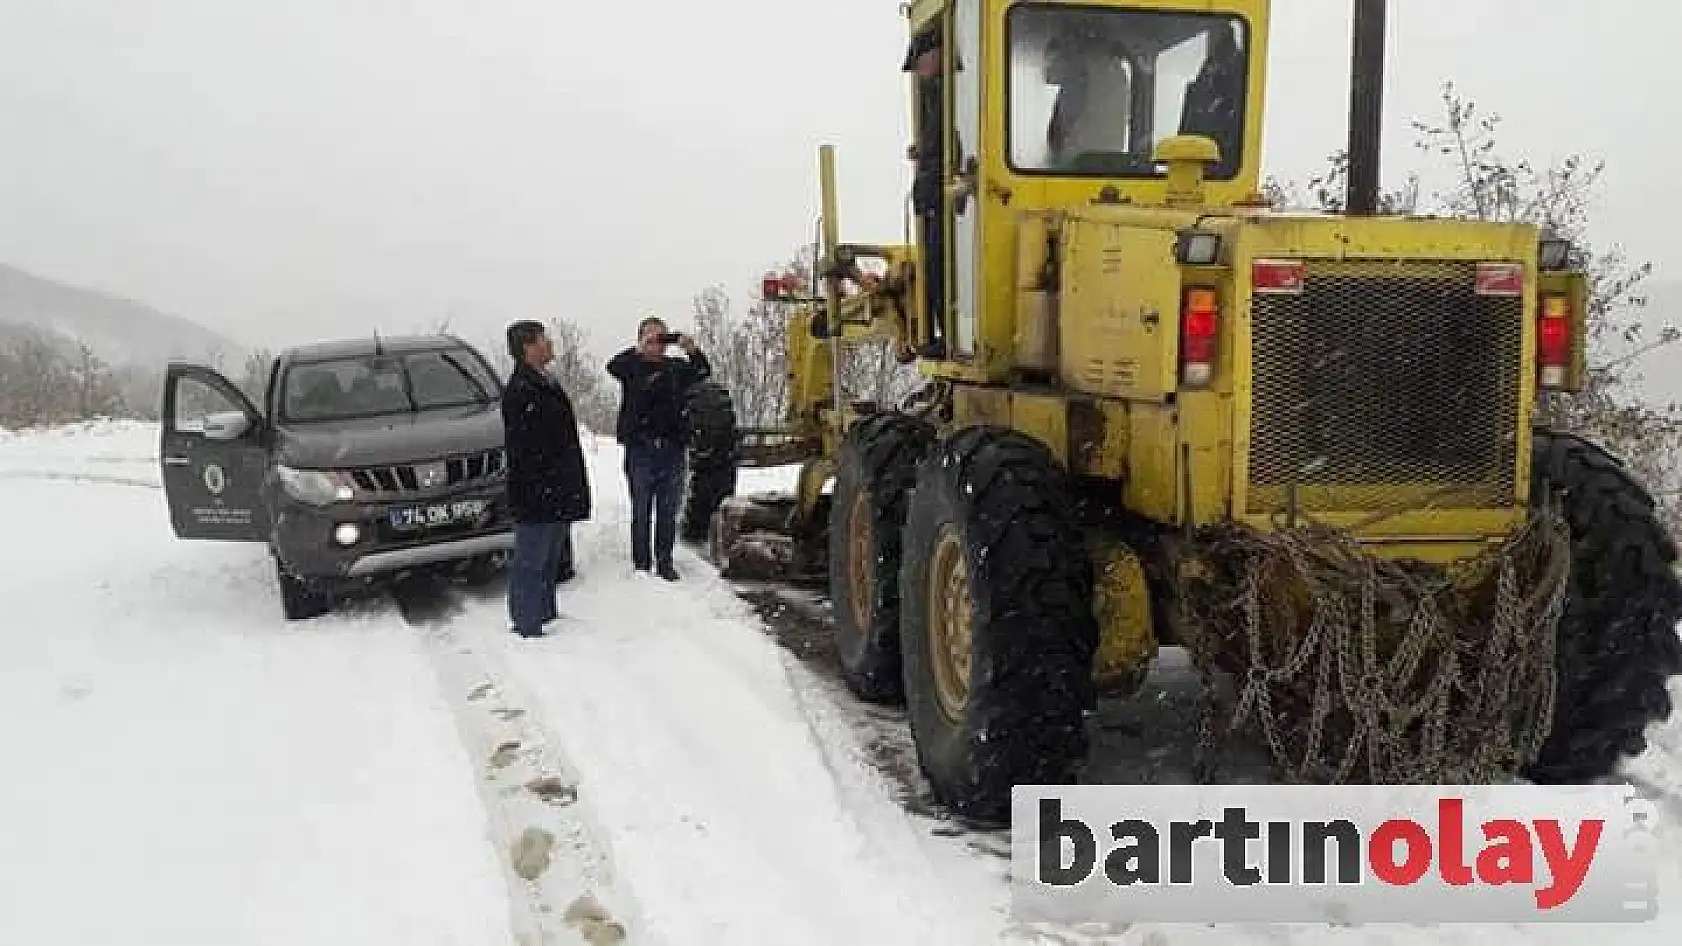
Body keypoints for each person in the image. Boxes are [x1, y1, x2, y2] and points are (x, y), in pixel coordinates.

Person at [501, 320, 591, 637]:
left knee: (551, 555)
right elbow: (528, 447)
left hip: (556, 486)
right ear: (528, 347)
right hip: (536, 489)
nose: (550, 344)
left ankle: (546, 611)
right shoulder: (521, 390)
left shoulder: (546, 381)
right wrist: (548, 479)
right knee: (531, 558)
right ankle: (527, 621)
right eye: (544, 340)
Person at [606, 316, 711, 581]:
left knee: (668, 510)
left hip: (672, 449)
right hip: (640, 449)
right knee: (641, 509)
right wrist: (639, 350)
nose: (657, 343)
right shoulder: (632, 366)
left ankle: (665, 561)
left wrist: (691, 349)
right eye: (651, 337)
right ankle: (641, 563)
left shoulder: (675, 368)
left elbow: (702, 372)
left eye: (662, 337)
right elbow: (612, 366)